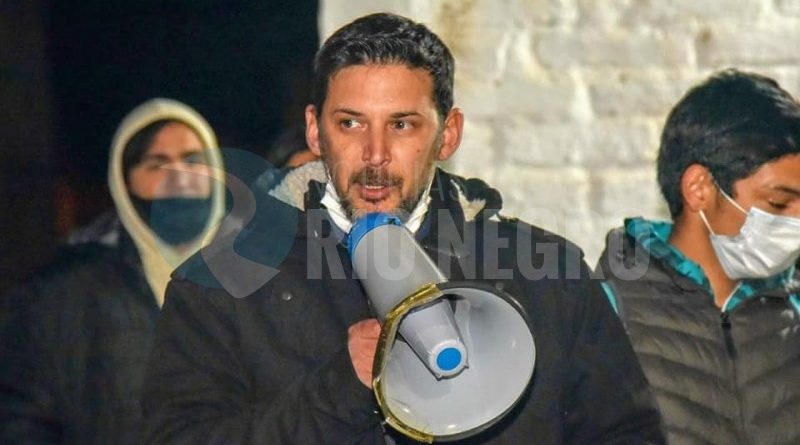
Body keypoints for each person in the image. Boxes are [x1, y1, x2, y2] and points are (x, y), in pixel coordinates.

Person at [142, 13, 663, 444]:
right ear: (314, 131)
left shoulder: (548, 274)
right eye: (350, 123)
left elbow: (626, 432)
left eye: (402, 125)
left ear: (448, 134)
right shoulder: (220, 286)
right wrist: (340, 390)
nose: (375, 155)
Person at [0, 98, 226, 444]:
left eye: (193, 161)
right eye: (157, 163)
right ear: (125, 182)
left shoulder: (257, 282)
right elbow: (24, 419)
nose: (179, 176)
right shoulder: (64, 295)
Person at [596, 70, 800, 445]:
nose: (795, 221)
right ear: (699, 189)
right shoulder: (608, 309)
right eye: (778, 203)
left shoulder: (793, 308)